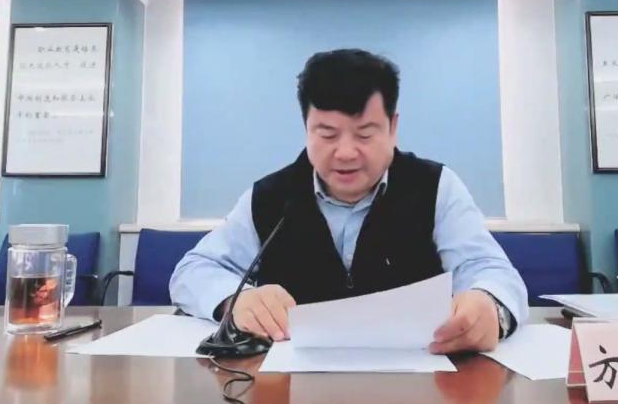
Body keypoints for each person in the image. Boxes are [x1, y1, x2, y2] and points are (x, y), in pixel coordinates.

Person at [170, 49, 528, 354]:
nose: (345, 153)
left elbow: (490, 269)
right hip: (289, 384)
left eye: (364, 134)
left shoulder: (435, 186)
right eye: (327, 134)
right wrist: (234, 301)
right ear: (306, 128)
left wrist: (487, 305)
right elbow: (193, 270)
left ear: (392, 127)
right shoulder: (271, 196)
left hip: (418, 379)